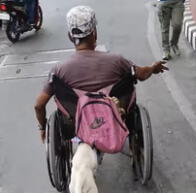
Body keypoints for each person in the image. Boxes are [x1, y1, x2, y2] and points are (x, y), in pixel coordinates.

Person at [34, 5, 168, 144]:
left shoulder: (58, 70)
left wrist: (43, 127)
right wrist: (153, 68)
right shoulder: (117, 61)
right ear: (94, 33)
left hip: (77, 122)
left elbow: (39, 105)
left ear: (70, 36)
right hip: (115, 115)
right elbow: (141, 74)